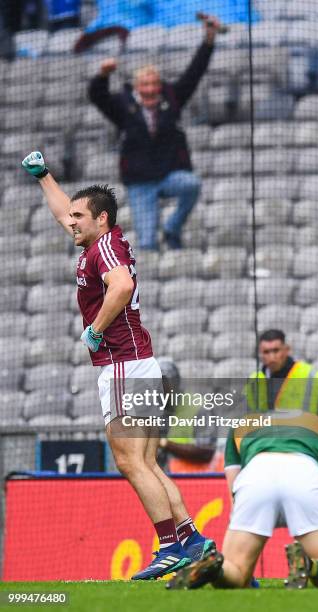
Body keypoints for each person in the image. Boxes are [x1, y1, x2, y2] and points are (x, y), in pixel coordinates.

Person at [21, 150, 215, 580]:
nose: (69, 221)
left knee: (129, 462)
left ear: (101, 219)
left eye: (78, 216)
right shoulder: (101, 241)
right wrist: (44, 177)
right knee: (145, 463)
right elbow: (63, 214)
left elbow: (122, 286)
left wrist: (94, 328)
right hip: (137, 362)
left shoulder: (104, 248)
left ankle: (168, 546)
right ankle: (193, 540)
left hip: (122, 364)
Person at [167, 410, 318, 589]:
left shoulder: (242, 424)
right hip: (304, 474)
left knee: (237, 573)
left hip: (256, 475)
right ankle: (309, 564)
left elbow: (234, 493)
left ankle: (215, 566)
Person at [88, 15, 222, 250]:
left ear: (159, 86)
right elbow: (97, 96)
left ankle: (172, 227)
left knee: (192, 184)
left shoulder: (172, 99)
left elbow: (195, 72)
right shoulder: (123, 106)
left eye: (154, 85)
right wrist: (103, 75)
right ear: (137, 87)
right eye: (145, 85)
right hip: (140, 182)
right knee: (148, 244)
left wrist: (209, 39)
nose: (150, 90)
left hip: (169, 175)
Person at [243, 329, 318, 435]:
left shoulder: (310, 376)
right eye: (266, 352)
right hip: (268, 444)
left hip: (304, 443)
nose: (272, 357)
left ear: (286, 350)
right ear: (260, 354)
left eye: (276, 350)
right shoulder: (254, 382)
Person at [156, 357, 222, 473]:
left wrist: (164, 443)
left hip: (191, 480)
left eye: (164, 381)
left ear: (176, 382)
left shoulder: (199, 408)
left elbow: (207, 451)